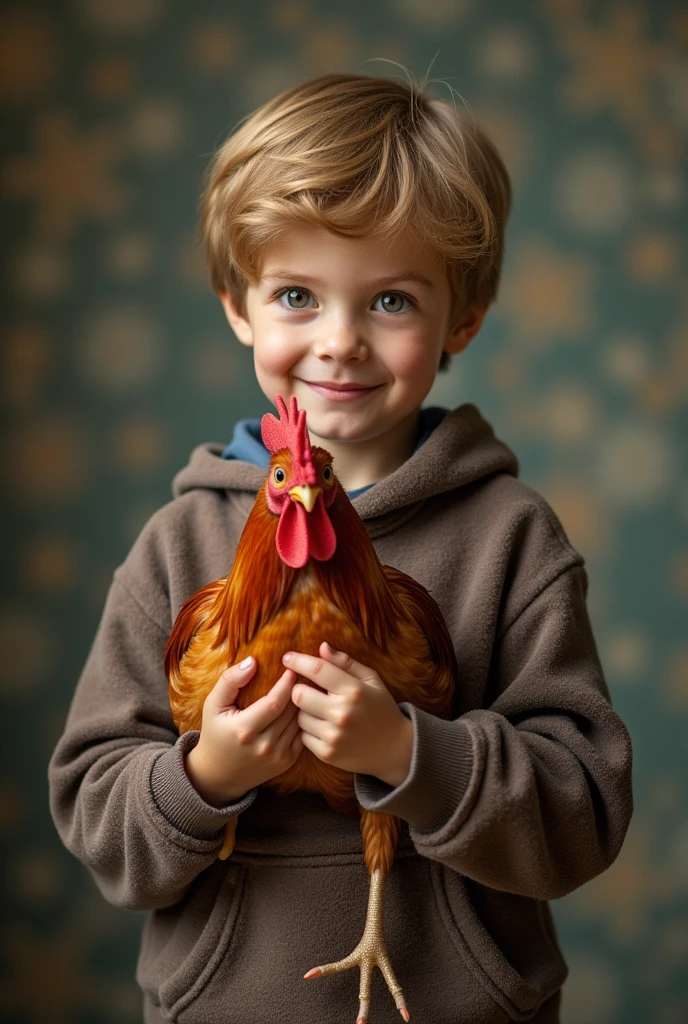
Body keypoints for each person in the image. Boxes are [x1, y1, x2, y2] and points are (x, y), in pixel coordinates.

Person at [48, 70, 633, 1024]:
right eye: (295, 295)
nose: (341, 342)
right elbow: (95, 812)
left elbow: (584, 815)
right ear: (238, 304)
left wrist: (410, 752)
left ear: (465, 317)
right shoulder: (177, 542)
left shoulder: (509, 538)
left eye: (392, 302)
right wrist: (206, 777)